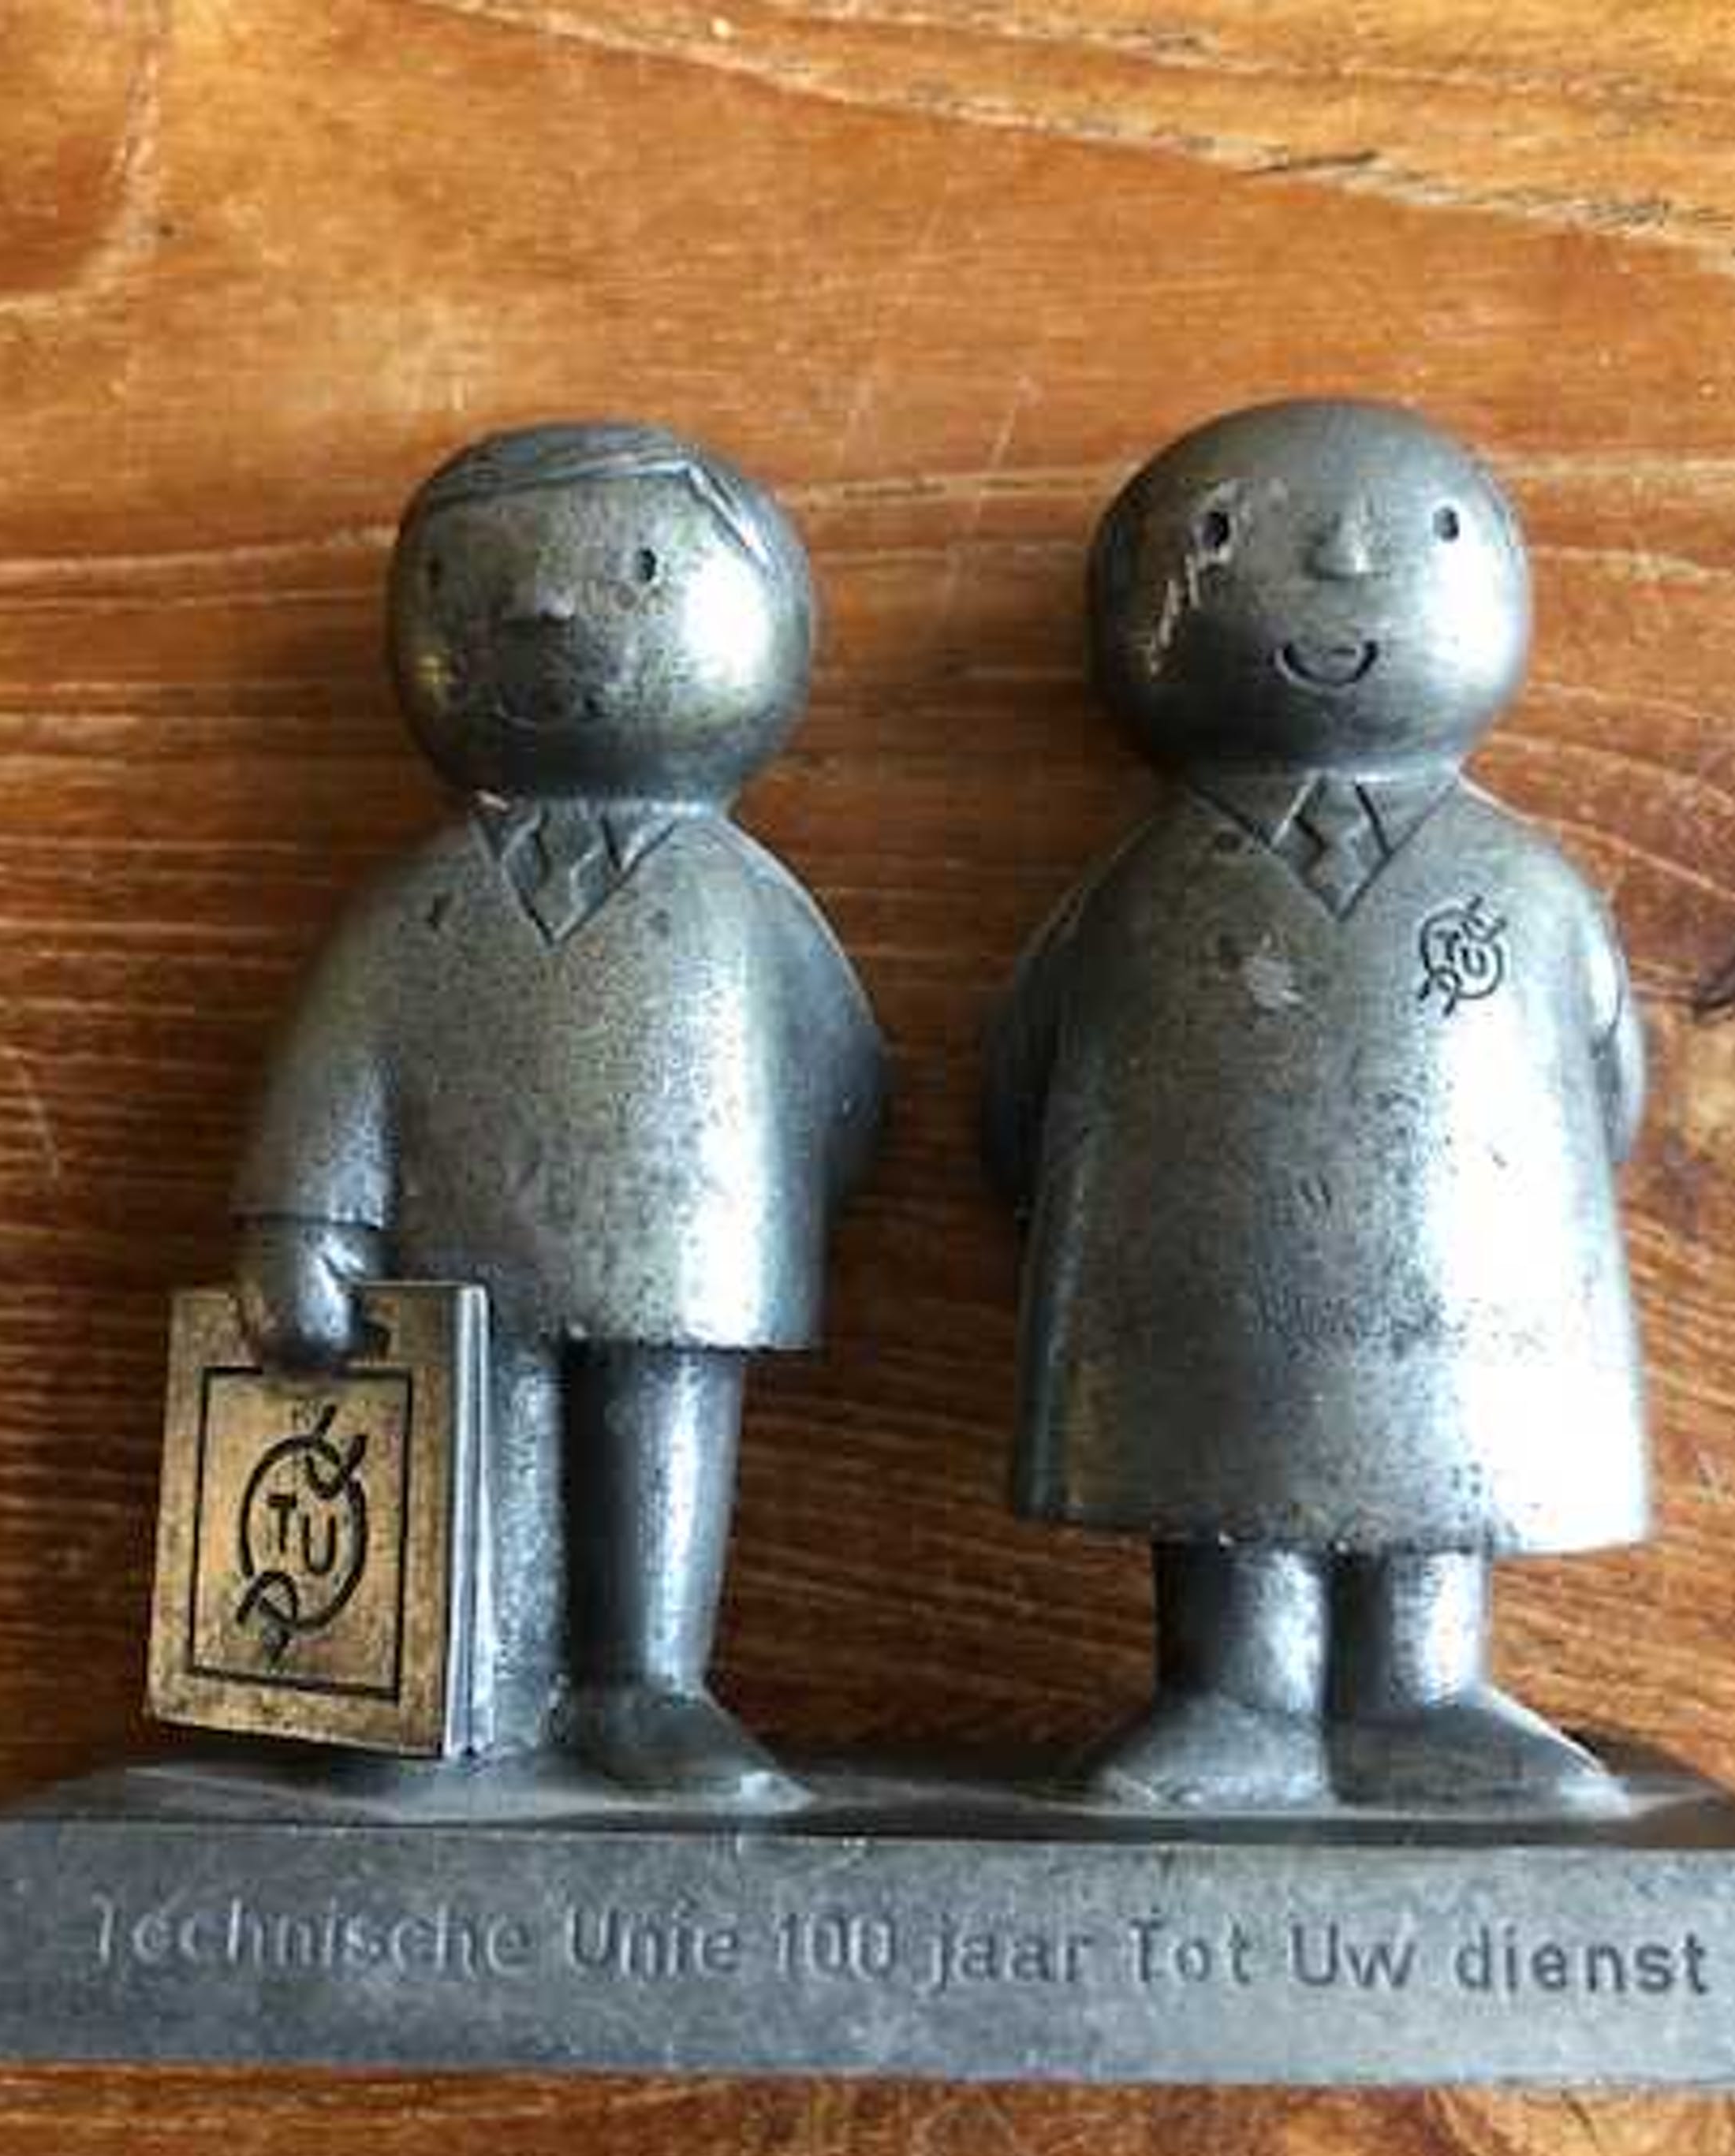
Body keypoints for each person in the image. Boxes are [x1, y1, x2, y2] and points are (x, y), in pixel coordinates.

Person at [985, 400, 1648, 1807]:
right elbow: (1033, 1070)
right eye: (1232, 541)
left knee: (1433, 1470)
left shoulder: (1522, 885)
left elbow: (1598, 1081)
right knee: (1222, 1458)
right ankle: (1239, 1692)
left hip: (1457, 1268)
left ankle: (1428, 1689)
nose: (1341, 574)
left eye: (1419, 539)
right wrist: (1074, 1223)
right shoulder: (1146, 891)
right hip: (1210, 1268)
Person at [233, 423, 886, 1801]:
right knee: (477, 1446)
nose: (542, 610)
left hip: (679, 1246)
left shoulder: (736, 893)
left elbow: (840, 1071)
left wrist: (793, 1191)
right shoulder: (420, 901)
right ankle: (464, 1683)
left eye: (636, 570)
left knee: (663, 1429)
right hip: (456, 1255)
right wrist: (303, 1218)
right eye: (476, 583)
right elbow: (343, 1057)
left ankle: (649, 1684)